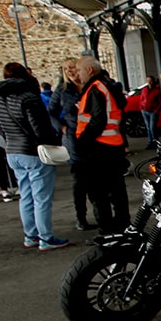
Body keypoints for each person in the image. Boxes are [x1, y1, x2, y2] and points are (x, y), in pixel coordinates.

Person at [0, 62, 68, 251]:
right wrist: (53, 141)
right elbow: (38, 126)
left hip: (12, 150)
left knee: (26, 195)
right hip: (32, 151)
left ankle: (31, 235)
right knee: (41, 197)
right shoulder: (28, 97)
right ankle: (46, 238)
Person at [74, 55, 130, 234]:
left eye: (79, 70)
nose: (78, 74)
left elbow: (98, 120)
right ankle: (123, 225)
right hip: (113, 146)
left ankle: (107, 231)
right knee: (117, 190)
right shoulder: (107, 86)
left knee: (98, 193)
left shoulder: (96, 88)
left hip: (98, 149)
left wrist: (82, 141)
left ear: (89, 70)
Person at [48, 57, 95, 231]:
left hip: (93, 135)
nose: (70, 71)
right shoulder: (62, 90)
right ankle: (80, 216)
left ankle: (101, 214)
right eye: (66, 69)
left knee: (96, 177)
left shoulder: (90, 86)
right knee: (80, 178)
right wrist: (61, 127)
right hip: (73, 137)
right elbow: (51, 112)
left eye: (73, 68)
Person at [139, 74, 161, 148]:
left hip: (153, 111)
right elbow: (141, 99)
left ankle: (156, 141)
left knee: (152, 127)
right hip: (145, 110)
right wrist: (141, 107)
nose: (149, 82)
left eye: (150, 81)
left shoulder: (157, 91)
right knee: (148, 127)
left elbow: (160, 102)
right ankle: (150, 142)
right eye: (148, 81)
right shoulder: (144, 89)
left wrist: (156, 110)